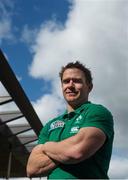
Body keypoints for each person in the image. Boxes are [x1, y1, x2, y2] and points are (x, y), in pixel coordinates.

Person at [26, 61, 114, 179]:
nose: (70, 85)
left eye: (77, 81)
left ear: (89, 87)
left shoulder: (97, 112)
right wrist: (64, 150)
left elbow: (75, 152)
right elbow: (32, 168)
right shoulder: (49, 125)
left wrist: (46, 146)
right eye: (66, 81)